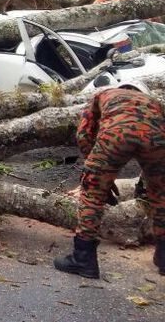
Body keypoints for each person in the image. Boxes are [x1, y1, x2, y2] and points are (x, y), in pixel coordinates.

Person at [54, 89, 164, 279]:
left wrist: (96, 174)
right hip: (155, 138)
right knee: (162, 194)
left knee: (92, 193)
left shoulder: (102, 95)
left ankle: (83, 258)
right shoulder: (153, 102)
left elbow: (84, 133)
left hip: (116, 133)